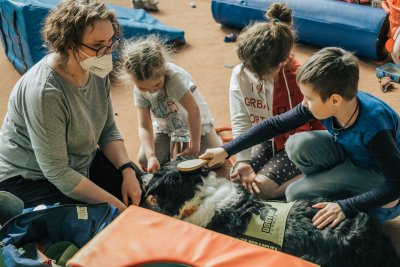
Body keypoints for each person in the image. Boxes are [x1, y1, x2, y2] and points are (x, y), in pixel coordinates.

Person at [200, 47, 400, 229]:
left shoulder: (375, 128)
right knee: (296, 144)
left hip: (380, 176)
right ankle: (330, 187)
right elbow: (275, 124)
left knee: (296, 194)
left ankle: (340, 198)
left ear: (335, 100)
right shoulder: (336, 102)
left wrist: (344, 207)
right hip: (354, 153)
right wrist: (226, 150)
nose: (304, 102)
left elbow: (395, 184)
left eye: (309, 98)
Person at [0, 0, 142, 213]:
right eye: (97, 46)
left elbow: (107, 129)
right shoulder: (45, 93)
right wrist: (116, 207)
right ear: (69, 44)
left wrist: (127, 170)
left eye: (111, 42)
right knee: (100, 223)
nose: (106, 52)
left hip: (77, 162)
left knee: (143, 190)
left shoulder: (95, 67)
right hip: (30, 177)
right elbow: (57, 171)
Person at [229, 2, 324, 200]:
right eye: (247, 67)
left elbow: (321, 126)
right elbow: (241, 119)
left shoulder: (301, 77)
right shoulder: (242, 71)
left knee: (261, 190)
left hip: (300, 144)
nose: (252, 74)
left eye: (259, 72)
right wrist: (243, 161)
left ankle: (321, 178)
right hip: (267, 137)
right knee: (239, 180)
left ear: (281, 63)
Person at [118, 35, 222, 173]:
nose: (151, 91)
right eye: (144, 88)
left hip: (195, 122)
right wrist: (151, 156)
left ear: (164, 72)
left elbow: (193, 111)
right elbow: (144, 125)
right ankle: (168, 152)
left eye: (156, 85)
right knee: (144, 159)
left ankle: (215, 139)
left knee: (213, 161)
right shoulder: (139, 87)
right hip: (167, 126)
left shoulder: (174, 78)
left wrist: (195, 146)